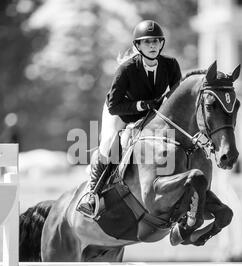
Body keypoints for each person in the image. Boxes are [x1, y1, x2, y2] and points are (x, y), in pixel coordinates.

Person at [77, 20, 182, 216]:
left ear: (161, 44)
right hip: (121, 111)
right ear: (138, 46)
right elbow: (114, 105)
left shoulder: (171, 65)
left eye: (156, 41)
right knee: (110, 144)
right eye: (147, 42)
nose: (152, 45)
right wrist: (141, 105)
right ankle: (92, 194)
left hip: (152, 112)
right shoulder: (126, 69)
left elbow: (177, 97)